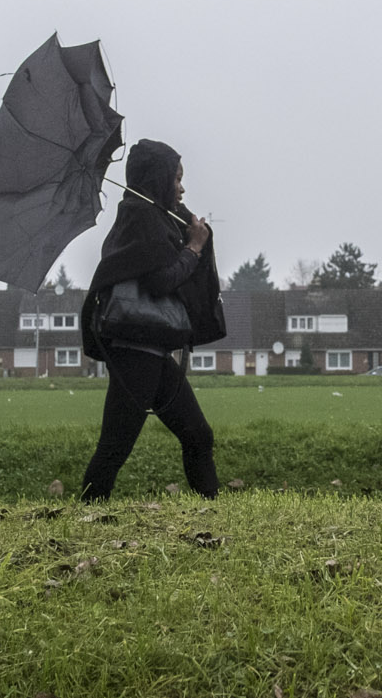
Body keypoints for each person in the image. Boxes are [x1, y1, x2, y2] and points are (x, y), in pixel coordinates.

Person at [77, 139, 227, 501]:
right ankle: (86, 514)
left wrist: (191, 232)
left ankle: (215, 508)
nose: (181, 187)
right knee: (115, 445)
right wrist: (192, 248)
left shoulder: (152, 216)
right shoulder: (140, 216)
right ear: (158, 178)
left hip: (152, 353)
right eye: (176, 179)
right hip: (135, 353)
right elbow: (160, 280)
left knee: (197, 434)